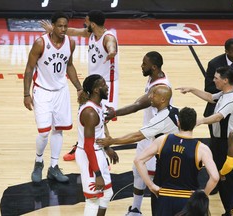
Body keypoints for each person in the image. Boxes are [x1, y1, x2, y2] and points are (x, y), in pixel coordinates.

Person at [41, 10, 119, 161]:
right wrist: (53, 29)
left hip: (106, 85)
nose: (85, 23)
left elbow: (111, 45)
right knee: (84, 114)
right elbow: (73, 31)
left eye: (87, 21)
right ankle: (81, 146)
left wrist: (112, 51)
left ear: (93, 24)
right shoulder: (90, 33)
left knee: (101, 120)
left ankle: (103, 154)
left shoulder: (108, 37)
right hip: (92, 82)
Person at [104, 51, 172, 215]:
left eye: (144, 64)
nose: (141, 66)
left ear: (154, 67)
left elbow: (137, 105)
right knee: (137, 172)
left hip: (157, 136)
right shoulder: (154, 77)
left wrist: (115, 112)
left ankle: (164, 209)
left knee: (154, 177)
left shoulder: (160, 87)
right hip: (148, 132)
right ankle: (135, 209)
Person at [23, 11, 83, 183]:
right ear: (53, 26)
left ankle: (54, 167)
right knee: (43, 132)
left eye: (65, 26)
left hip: (61, 91)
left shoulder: (70, 43)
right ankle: (38, 162)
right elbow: (29, 69)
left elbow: (69, 65)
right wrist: (26, 94)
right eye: (60, 26)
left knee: (59, 129)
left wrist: (78, 88)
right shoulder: (40, 43)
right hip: (42, 91)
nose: (63, 29)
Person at [176, 66, 233, 216]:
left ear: (225, 80)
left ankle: (231, 211)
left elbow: (218, 116)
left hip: (226, 144)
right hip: (219, 141)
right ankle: (229, 210)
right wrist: (192, 89)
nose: (213, 80)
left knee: (225, 181)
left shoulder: (230, 99)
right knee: (221, 178)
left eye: (216, 78)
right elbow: (211, 97)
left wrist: (200, 121)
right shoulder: (226, 93)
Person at [134, 107, 219, 216]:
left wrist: (151, 186)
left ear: (178, 122)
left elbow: (138, 160)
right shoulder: (201, 148)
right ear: (194, 124)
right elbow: (215, 177)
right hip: (188, 199)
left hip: (164, 197)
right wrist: (204, 194)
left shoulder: (162, 140)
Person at [75, 74, 119, 216]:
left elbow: (100, 128)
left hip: (97, 151)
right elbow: (88, 146)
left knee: (107, 193)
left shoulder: (98, 105)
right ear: (95, 90)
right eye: (104, 85)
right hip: (89, 155)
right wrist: (97, 174)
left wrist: (107, 148)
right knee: (93, 199)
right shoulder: (90, 112)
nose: (107, 87)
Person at [96, 85, 178, 148]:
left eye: (154, 94)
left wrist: (112, 141)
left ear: (162, 99)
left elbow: (137, 136)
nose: (150, 96)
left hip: (169, 155)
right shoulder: (175, 110)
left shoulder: (161, 119)